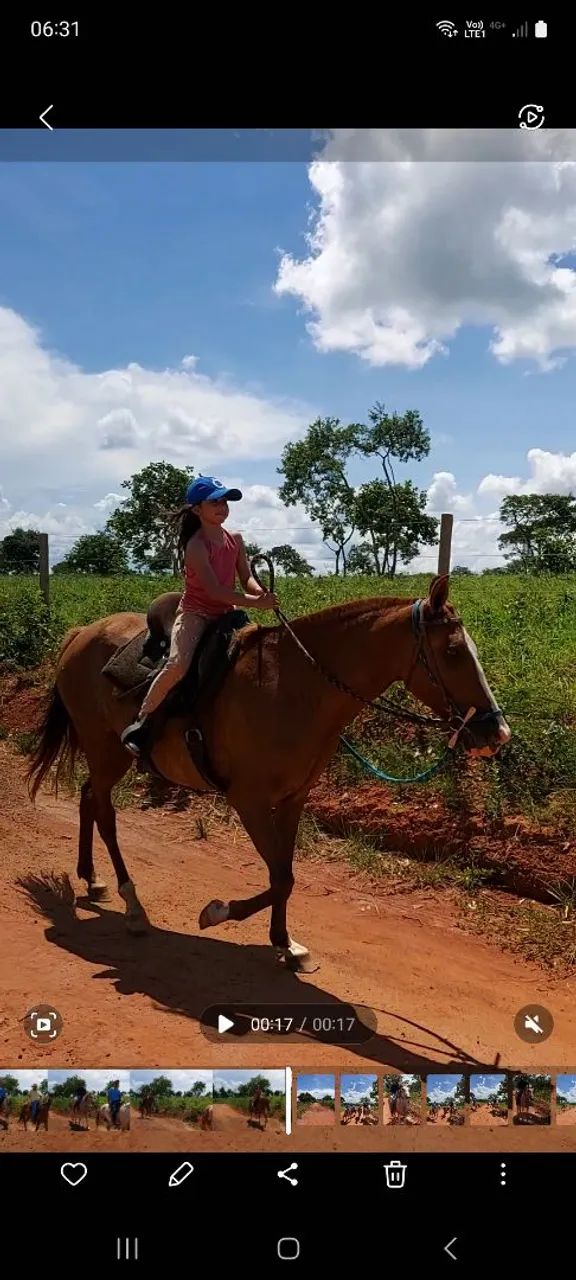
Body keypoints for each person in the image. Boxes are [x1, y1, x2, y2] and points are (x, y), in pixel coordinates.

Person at [121, 475, 277, 757]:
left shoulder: (236, 539)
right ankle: (142, 722)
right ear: (197, 510)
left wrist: (260, 592)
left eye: (225, 501)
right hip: (196, 614)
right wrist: (255, 603)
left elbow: (246, 577)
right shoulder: (196, 546)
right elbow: (216, 591)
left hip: (227, 614)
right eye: (214, 502)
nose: (222, 506)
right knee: (178, 665)